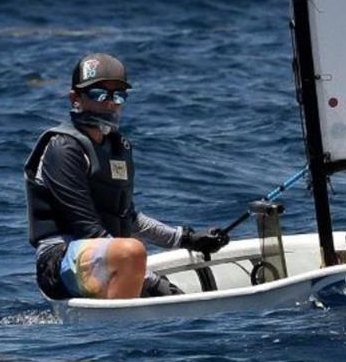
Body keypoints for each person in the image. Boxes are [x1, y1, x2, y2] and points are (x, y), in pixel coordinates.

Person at [24, 52, 229, 301]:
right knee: (133, 252)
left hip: (109, 254)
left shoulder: (118, 147)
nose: (111, 103)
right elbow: (86, 228)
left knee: (162, 287)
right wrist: (144, 275)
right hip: (59, 262)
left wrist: (187, 238)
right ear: (75, 98)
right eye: (99, 94)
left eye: (118, 95)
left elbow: (128, 217)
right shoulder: (63, 148)